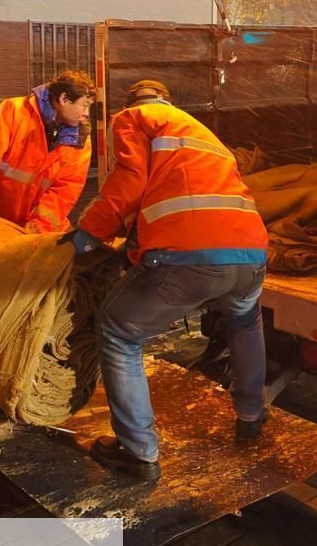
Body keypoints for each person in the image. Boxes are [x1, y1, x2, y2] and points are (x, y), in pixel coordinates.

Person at [69, 79, 269, 481]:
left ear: (133, 102)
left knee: (119, 330)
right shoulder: (198, 130)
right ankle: (251, 415)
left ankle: (137, 451)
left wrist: (90, 231)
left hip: (188, 257)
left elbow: (129, 180)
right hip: (252, 253)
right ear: (168, 99)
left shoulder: (134, 118)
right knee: (245, 322)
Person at [0, 70, 95, 233]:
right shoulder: (13, 112)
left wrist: (38, 228)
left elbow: (64, 192)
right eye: (84, 106)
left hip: (40, 229)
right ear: (64, 99)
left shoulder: (80, 141)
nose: (86, 114)